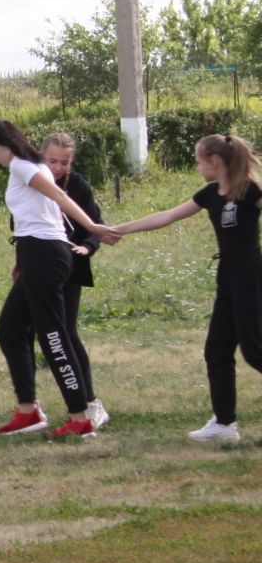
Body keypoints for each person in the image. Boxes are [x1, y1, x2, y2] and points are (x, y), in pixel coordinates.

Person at [111, 133, 262, 442]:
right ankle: (224, 424)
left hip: (251, 279)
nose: (197, 167)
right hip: (228, 280)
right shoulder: (210, 194)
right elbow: (168, 216)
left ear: (214, 162)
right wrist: (121, 229)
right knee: (217, 350)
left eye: (198, 162)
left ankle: (224, 422)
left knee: (254, 351)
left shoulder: (250, 190)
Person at [0, 119, 119, 440]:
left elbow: (60, 198)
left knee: (54, 337)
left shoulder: (22, 167)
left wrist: (94, 230)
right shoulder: (33, 165)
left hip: (44, 255)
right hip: (35, 253)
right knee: (11, 329)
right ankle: (28, 412)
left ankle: (79, 416)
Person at [41, 132, 110, 429]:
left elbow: (95, 224)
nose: (57, 168)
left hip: (70, 266)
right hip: (39, 265)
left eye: (64, 162)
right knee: (35, 332)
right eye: (52, 161)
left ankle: (91, 402)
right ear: (41, 156)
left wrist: (88, 246)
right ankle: (30, 405)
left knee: (66, 332)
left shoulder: (77, 185)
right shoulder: (31, 180)